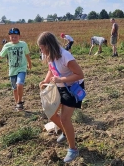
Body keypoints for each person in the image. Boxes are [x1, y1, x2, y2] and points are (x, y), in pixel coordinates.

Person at [38, 32, 84, 163]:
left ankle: (73, 149)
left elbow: (80, 74)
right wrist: (45, 80)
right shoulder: (50, 55)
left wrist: (60, 79)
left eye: (41, 48)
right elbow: (51, 69)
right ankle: (66, 132)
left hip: (73, 89)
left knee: (64, 118)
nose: (40, 51)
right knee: (51, 114)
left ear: (48, 46)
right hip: (60, 87)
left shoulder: (65, 56)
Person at [0, 28, 32, 111]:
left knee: (19, 84)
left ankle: (19, 102)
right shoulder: (7, 46)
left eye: (15, 37)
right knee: (15, 89)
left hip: (22, 68)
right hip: (12, 70)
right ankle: (17, 105)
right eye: (12, 37)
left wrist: (30, 63)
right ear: (9, 37)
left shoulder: (23, 44)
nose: (14, 38)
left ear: (19, 36)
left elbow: (27, 54)